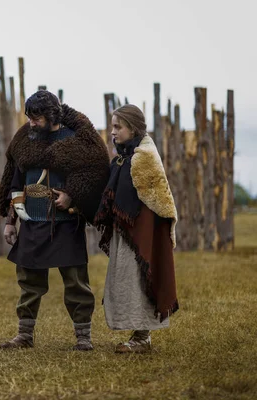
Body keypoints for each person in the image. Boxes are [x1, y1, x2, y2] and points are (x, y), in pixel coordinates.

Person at [0, 90, 110, 350]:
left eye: (36, 118)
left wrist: (72, 195)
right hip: (32, 222)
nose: (31, 123)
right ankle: (24, 335)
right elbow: (14, 180)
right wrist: (10, 220)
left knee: (76, 283)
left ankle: (83, 337)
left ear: (51, 116)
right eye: (29, 117)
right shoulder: (25, 140)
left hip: (66, 224)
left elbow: (93, 174)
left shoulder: (75, 141)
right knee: (28, 282)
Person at [94, 104, 179, 353]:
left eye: (118, 127)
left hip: (141, 235)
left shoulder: (144, 158)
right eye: (112, 126)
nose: (113, 132)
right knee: (126, 281)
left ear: (133, 128)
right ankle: (139, 335)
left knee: (139, 279)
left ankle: (143, 338)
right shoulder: (123, 158)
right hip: (127, 232)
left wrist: (146, 236)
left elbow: (159, 202)